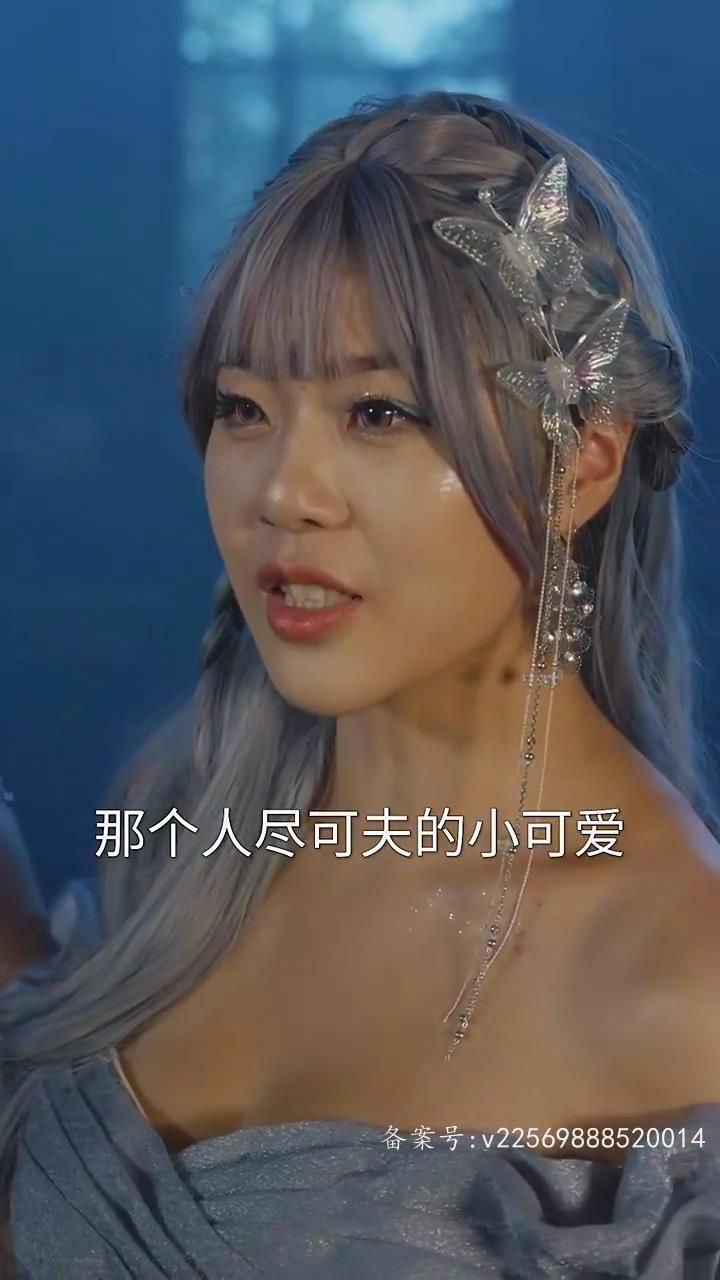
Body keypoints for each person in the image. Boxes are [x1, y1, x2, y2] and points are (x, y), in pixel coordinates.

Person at [2, 90, 720, 1278]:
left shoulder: (683, 984)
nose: (284, 491)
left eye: (377, 411)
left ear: (582, 463)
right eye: (244, 408)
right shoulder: (184, 831)